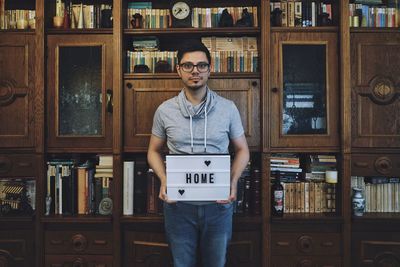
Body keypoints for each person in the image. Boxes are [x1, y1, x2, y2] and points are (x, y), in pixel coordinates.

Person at [147, 40, 250, 267]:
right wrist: (164, 180)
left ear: (209, 69)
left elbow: (243, 150)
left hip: (219, 206)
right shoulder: (164, 110)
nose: (195, 70)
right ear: (178, 70)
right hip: (178, 207)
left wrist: (233, 181)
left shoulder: (228, 108)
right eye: (188, 65)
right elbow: (153, 151)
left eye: (201, 65)